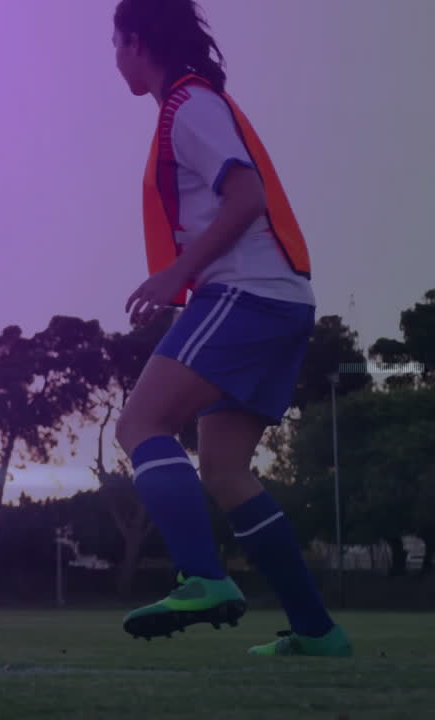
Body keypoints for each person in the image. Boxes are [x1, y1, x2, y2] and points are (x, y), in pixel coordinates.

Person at [110, 0, 351, 656]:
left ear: (136, 41)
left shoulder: (189, 106)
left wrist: (175, 274)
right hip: (281, 300)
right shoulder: (193, 105)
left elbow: (247, 197)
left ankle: (202, 577)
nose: (114, 59)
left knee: (138, 425)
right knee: (223, 468)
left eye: (115, 43)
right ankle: (316, 632)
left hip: (247, 294)